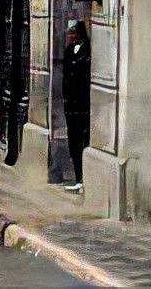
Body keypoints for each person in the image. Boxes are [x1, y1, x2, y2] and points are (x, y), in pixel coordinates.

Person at [61, 22, 91, 192]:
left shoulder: (86, 51)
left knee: (82, 139)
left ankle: (82, 178)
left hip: (83, 104)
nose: (70, 36)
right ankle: (77, 174)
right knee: (73, 141)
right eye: (69, 33)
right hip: (70, 104)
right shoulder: (69, 51)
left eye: (73, 33)